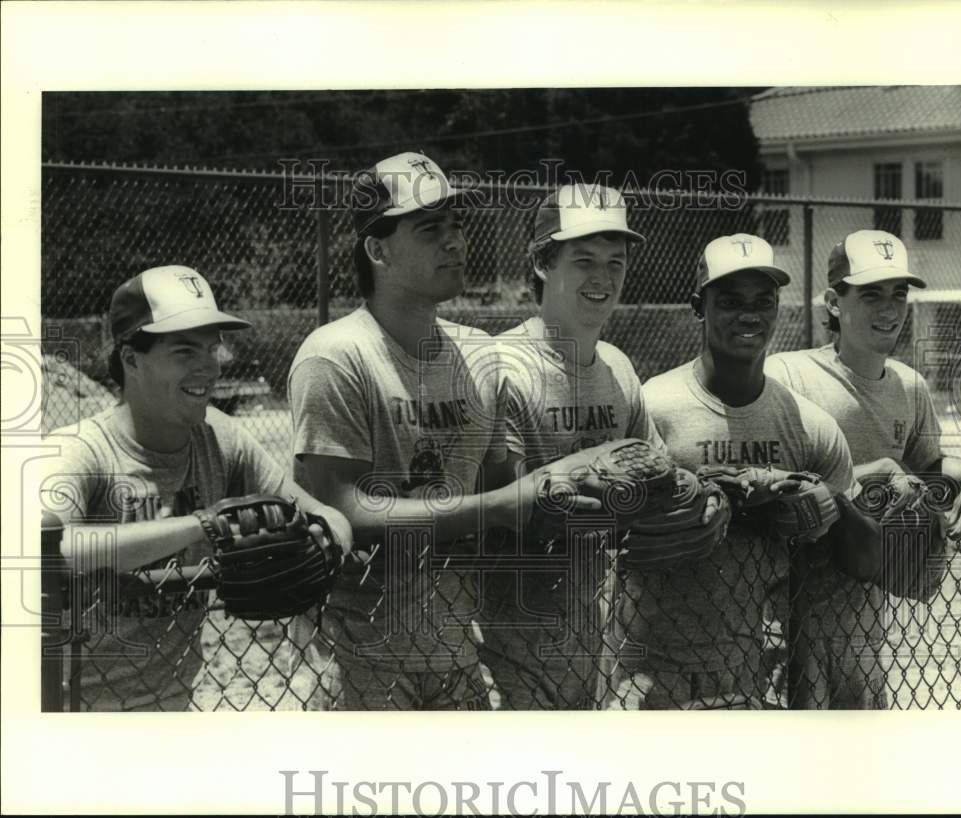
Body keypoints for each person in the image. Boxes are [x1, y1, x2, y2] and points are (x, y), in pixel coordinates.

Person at [286, 152, 594, 710]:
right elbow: (339, 509)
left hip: (458, 654)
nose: (455, 242)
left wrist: (591, 486)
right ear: (377, 250)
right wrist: (502, 504)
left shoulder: (479, 353)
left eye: (457, 226)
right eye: (431, 229)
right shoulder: (336, 356)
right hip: (360, 657)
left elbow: (503, 481)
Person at [40, 265, 352, 711]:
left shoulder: (221, 439)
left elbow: (323, 513)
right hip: (68, 711)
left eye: (212, 348)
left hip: (173, 706)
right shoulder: (80, 450)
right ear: (131, 359)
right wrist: (201, 524)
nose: (209, 365)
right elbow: (50, 549)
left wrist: (327, 543)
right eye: (185, 351)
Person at [604, 233, 882, 710]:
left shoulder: (806, 423)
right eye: (730, 301)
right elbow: (605, 527)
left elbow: (868, 561)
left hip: (756, 671)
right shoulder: (654, 406)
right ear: (698, 306)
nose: (749, 315)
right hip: (650, 666)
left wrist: (829, 506)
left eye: (763, 300)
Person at [764, 229, 961, 708]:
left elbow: (926, 468)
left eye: (898, 294)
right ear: (834, 302)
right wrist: (873, 469)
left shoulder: (910, 386)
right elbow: (774, 491)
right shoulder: (789, 376)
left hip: (864, 619)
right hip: (783, 615)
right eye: (871, 293)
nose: (890, 308)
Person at [480, 182, 664, 709]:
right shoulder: (502, 367)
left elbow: (654, 483)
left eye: (615, 262)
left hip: (597, 633)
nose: (602, 278)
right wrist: (615, 488)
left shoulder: (619, 368)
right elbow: (508, 513)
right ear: (542, 262)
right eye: (583, 260)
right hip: (509, 641)